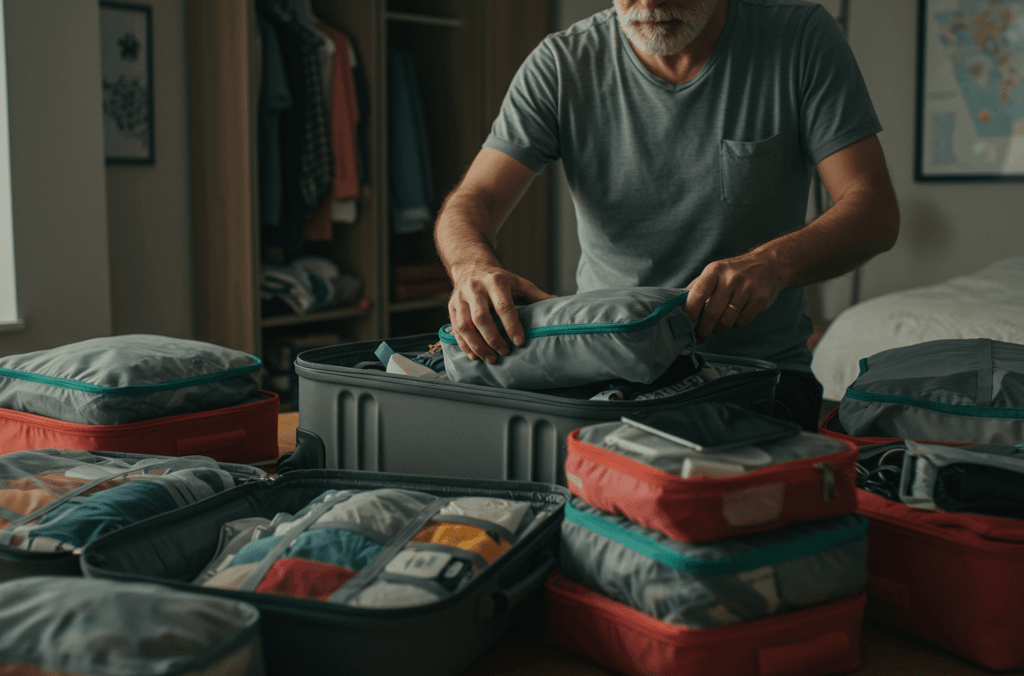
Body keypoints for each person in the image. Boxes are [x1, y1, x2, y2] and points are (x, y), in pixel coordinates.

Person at [433, 0, 900, 431]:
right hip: (602, 371)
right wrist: (472, 266)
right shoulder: (561, 62)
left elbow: (872, 208)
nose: (651, 2)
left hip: (755, 377)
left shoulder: (800, 37)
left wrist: (772, 264)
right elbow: (472, 200)